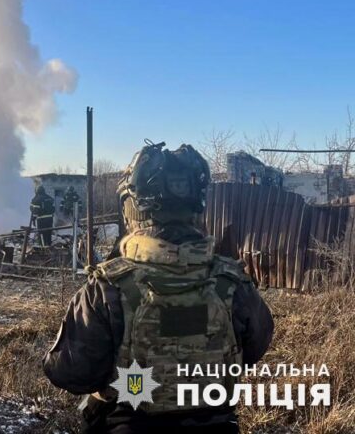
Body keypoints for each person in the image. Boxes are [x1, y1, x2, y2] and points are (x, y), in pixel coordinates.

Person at [43, 141, 274, 434]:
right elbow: (255, 347)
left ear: (132, 208)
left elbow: (70, 373)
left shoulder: (108, 286)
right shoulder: (232, 281)